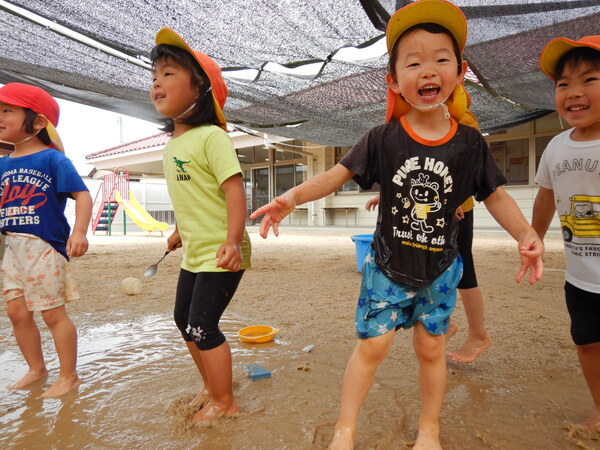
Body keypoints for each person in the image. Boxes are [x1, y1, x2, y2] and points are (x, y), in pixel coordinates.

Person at [251, 1, 543, 448]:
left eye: (441, 59)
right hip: (387, 267)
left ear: (459, 71)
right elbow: (336, 174)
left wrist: (526, 234)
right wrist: (290, 197)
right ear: (394, 80)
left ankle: (429, 430)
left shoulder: (469, 143)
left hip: (441, 269)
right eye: (414, 62)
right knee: (373, 346)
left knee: (431, 350)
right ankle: (344, 430)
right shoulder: (382, 138)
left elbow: (497, 195)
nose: (429, 70)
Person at [149, 28, 251, 423]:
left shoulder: (213, 137)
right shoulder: (172, 145)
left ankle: (226, 401)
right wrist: (179, 229)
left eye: (169, 73)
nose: (157, 81)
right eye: (155, 75)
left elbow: (234, 191)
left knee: (203, 324)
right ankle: (212, 385)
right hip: (195, 248)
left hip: (222, 250)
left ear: (200, 91)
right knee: (182, 320)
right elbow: (192, 197)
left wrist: (232, 240)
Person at [0, 83, 92, 398]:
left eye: (7, 111)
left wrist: (79, 231)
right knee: (16, 313)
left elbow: (81, 194)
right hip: (13, 248)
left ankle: (69, 376)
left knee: (52, 313)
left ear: (38, 122)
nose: (0, 117)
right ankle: (37, 368)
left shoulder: (54, 160)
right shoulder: (2, 164)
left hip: (44, 246)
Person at [532, 35, 600, 432]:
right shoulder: (556, 147)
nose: (574, 92)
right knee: (587, 342)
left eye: (589, 79)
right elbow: (544, 198)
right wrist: (534, 241)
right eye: (563, 84)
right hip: (580, 277)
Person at [365, 191, 491, 364]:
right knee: (427, 268)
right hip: (426, 209)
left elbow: (467, 168)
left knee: (464, 269)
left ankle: (478, 335)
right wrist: (385, 194)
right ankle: (446, 323)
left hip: (453, 207)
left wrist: (455, 199)